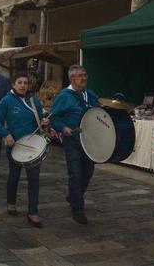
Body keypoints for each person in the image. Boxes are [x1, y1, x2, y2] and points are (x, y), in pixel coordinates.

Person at [0, 72, 46, 228]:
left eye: (25, 83)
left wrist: (44, 122)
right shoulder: (7, 101)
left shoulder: (34, 101)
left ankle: (33, 211)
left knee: (34, 179)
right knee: (14, 176)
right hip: (15, 146)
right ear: (13, 85)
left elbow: (40, 121)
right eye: (19, 82)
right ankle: (11, 202)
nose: (23, 85)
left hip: (34, 147)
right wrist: (6, 134)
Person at [50, 65, 99, 225]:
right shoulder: (64, 96)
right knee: (76, 174)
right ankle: (77, 209)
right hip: (73, 141)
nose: (83, 78)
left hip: (89, 140)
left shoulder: (90, 95)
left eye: (85, 75)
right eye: (79, 76)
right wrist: (64, 128)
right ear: (71, 78)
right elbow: (54, 118)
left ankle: (73, 196)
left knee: (88, 172)